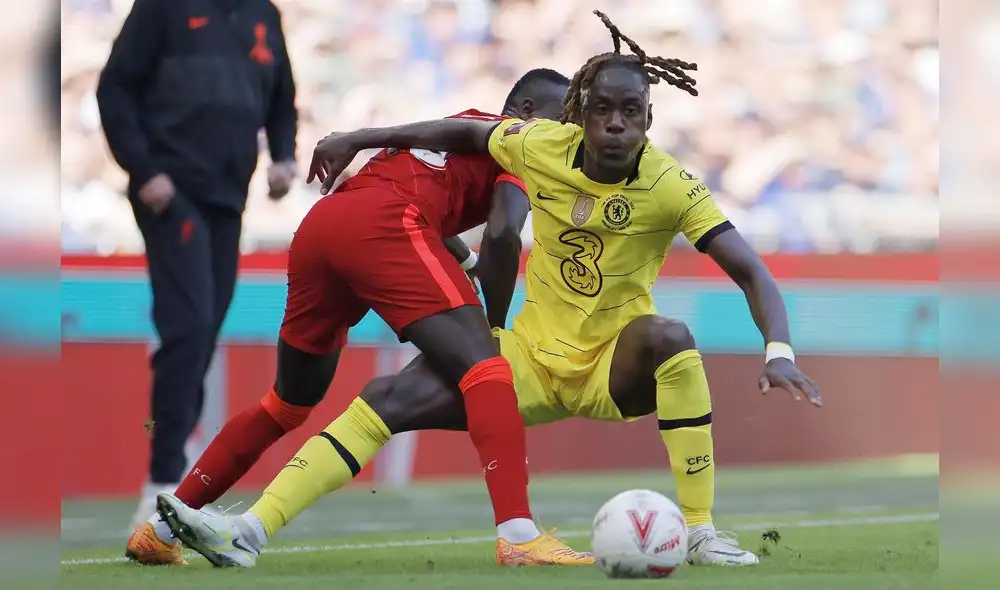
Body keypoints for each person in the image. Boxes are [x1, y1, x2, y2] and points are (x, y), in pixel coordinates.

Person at [158, 10, 823, 569]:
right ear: (579, 116)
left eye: (631, 112)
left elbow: (752, 270)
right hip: (529, 359)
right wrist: (363, 136)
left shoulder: (672, 184)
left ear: (648, 120)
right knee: (384, 395)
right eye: (601, 110)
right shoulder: (538, 146)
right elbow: (456, 132)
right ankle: (248, 531)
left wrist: (779, 351)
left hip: (609, 364)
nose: (615, 124)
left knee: (671, 337)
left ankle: (700, 531)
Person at [136, 69, 590, 568]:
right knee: (488, 368)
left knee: (286, 404)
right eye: (563, 119)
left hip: (327, 224)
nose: (570, 134)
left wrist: (462, 263)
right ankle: (519, 535)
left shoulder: (463, 125)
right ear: (524, 112)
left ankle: (159, 531)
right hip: (384, 225)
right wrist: (496, 325)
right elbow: (503, 234)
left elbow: (424, 198)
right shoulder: (523, 147)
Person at [96, 0, 299, 532]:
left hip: (228, 195)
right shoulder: (162, 7)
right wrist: (143, 169)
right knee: (187, 327)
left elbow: (281, 97)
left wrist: (283, 155)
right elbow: (114, 87)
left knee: (204, 328)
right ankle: (163, 481)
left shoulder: (263, 14)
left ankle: (177, 478)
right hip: (171, 189)